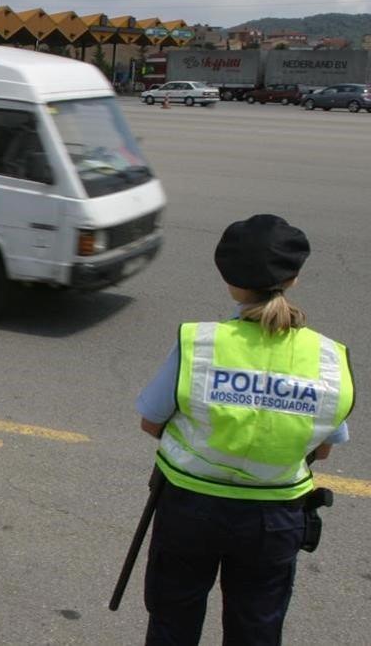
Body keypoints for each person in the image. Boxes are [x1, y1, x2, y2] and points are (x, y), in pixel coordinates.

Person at [135, 214, 355, 645]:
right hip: (274, 519)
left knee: (172, 627)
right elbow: (324, 448)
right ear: (294, 279)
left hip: (190, 508)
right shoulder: (330, 357)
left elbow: (150, 420)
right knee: (256, 631)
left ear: (228, 278)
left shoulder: (198, 343)